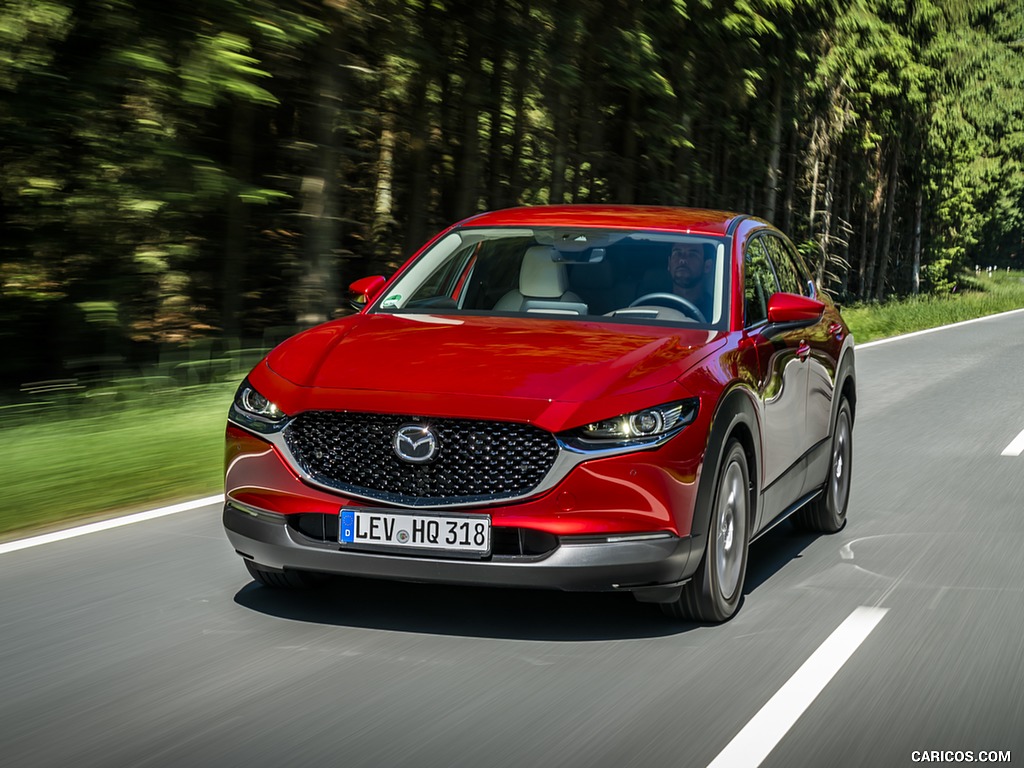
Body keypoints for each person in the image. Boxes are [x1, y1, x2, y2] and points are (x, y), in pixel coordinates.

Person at [667, 241, 714, 320]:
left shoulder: (716, 311)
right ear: (669, 264)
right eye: (677, 253)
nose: (682, 260)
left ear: (707, 266)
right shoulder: (654, 306)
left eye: (692, 255)